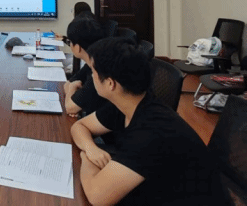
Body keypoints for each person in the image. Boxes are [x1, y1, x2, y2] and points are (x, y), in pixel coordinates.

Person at [70, 38, 230, 206]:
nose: (92, 77)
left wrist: (85, 157)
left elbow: (97, 197)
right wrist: (91, 148)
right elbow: (79, 126)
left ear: (110, 83)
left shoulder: (152, 131)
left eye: (93, 73)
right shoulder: (127, 103)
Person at [62, 16, 106, 117]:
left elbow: (69, 107)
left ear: (78, 47)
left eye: (70, 42)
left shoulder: (98, 72)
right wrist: (74, 99)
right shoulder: (91, 63)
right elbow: (66, 85)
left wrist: (73, 88)